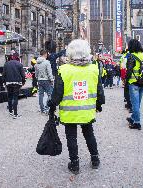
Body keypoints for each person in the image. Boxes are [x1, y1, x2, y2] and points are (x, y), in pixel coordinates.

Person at [48, 39, 105, 174]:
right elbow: (99, 91)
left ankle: (74, 163)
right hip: (87, 110)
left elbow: (57, 93)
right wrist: (99, 104)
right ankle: (95, 159)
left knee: (71, 137)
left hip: (70, 112)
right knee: (89, 134)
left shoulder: (63, 69)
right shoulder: (93, 68)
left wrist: (52, 106)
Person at [125, 39, 143, 130]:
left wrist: (126, 81)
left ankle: (137, 123)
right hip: (142, 82)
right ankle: (133, 118)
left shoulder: (131, 56)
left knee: (135, 104)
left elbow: (129, 70)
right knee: (137, 103)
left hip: (133, 82)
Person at [3, 52, 26, 119]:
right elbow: (23, 75)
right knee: (15, 97)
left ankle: (10, 112)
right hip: (17, 83)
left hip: (8, 83)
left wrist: (4, 82)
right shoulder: (19, 64)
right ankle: (15, 114)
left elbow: (4, 74)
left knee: (9, 97)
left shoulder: (6, 64)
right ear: (17, 57)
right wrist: (23, 82)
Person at [35, 49, 54, 114]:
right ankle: (46, 108)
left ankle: (42, 109)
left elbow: (36, 74)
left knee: (41, 95)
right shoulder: (47, 62)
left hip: (40, 80)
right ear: (45, 54)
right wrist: (51, 80)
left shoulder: (36, 63)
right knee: (50, 94)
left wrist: (38, 78)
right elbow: (49, 72)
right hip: (46, 80)